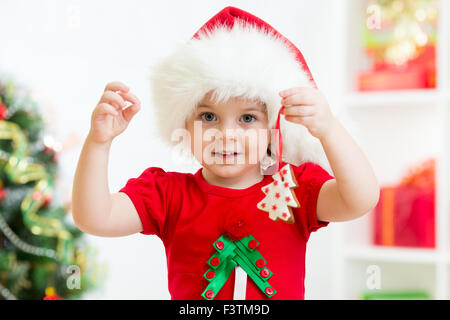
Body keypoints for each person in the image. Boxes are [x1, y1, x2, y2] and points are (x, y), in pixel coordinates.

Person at [72, 6, 380, 300]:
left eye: (247, 118)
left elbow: (361, 199)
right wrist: (99, 143)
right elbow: (95, 218)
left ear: (275, 128)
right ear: (185, 125)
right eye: (208, 117)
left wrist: (329, 129)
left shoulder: (293, 187)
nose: (226, 134)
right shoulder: (167, 195)